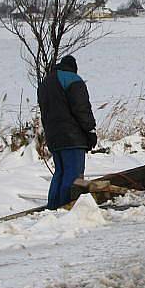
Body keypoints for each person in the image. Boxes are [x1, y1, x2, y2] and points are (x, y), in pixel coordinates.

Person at [37, 55, 98, 209]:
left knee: (60, 173)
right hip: (72, 138)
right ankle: (66, 208)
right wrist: (90, 131)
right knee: (73, 175)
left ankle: (52, 208)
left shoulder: (46, 83)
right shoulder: (73, 80)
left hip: (53, 137)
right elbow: (82, 109)